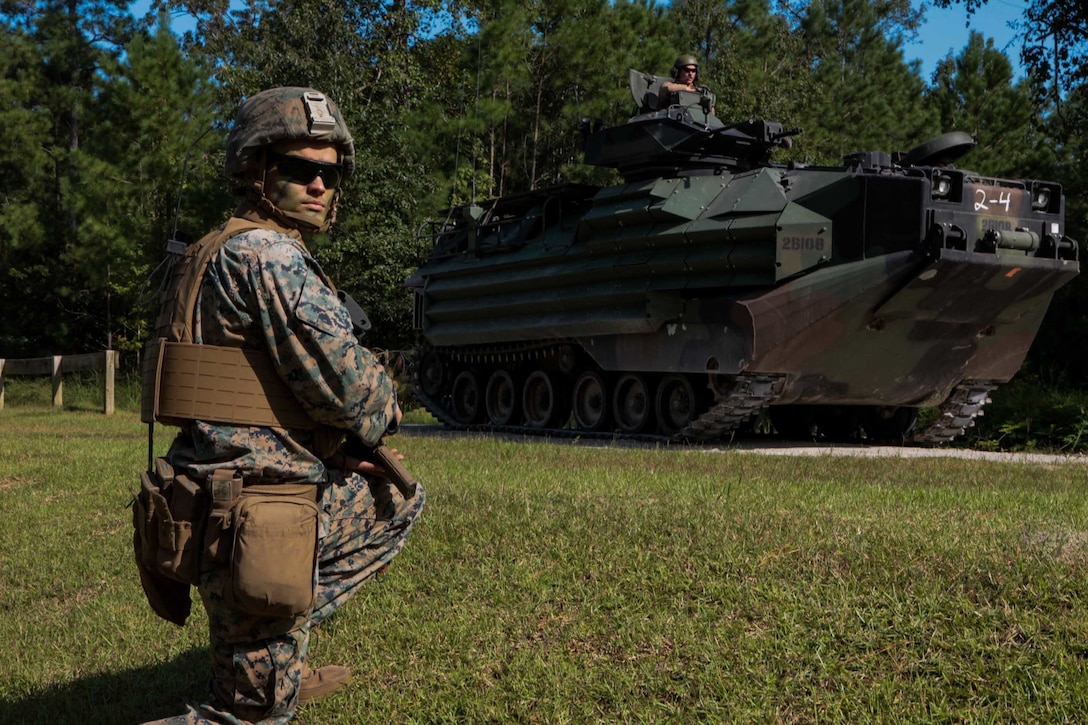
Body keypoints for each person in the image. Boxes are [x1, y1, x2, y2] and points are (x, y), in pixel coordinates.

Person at [138, 86, 426, 724]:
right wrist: (384, 404)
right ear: (255, 170)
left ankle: (270, 647)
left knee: (384, 486)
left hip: (206, 487)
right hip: (257, 511)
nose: (321, 184)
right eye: (301, 169)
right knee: (250, 717)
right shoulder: (269, 255)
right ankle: (269, 639)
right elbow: (357, 397)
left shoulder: (212, 249)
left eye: (332, 171)